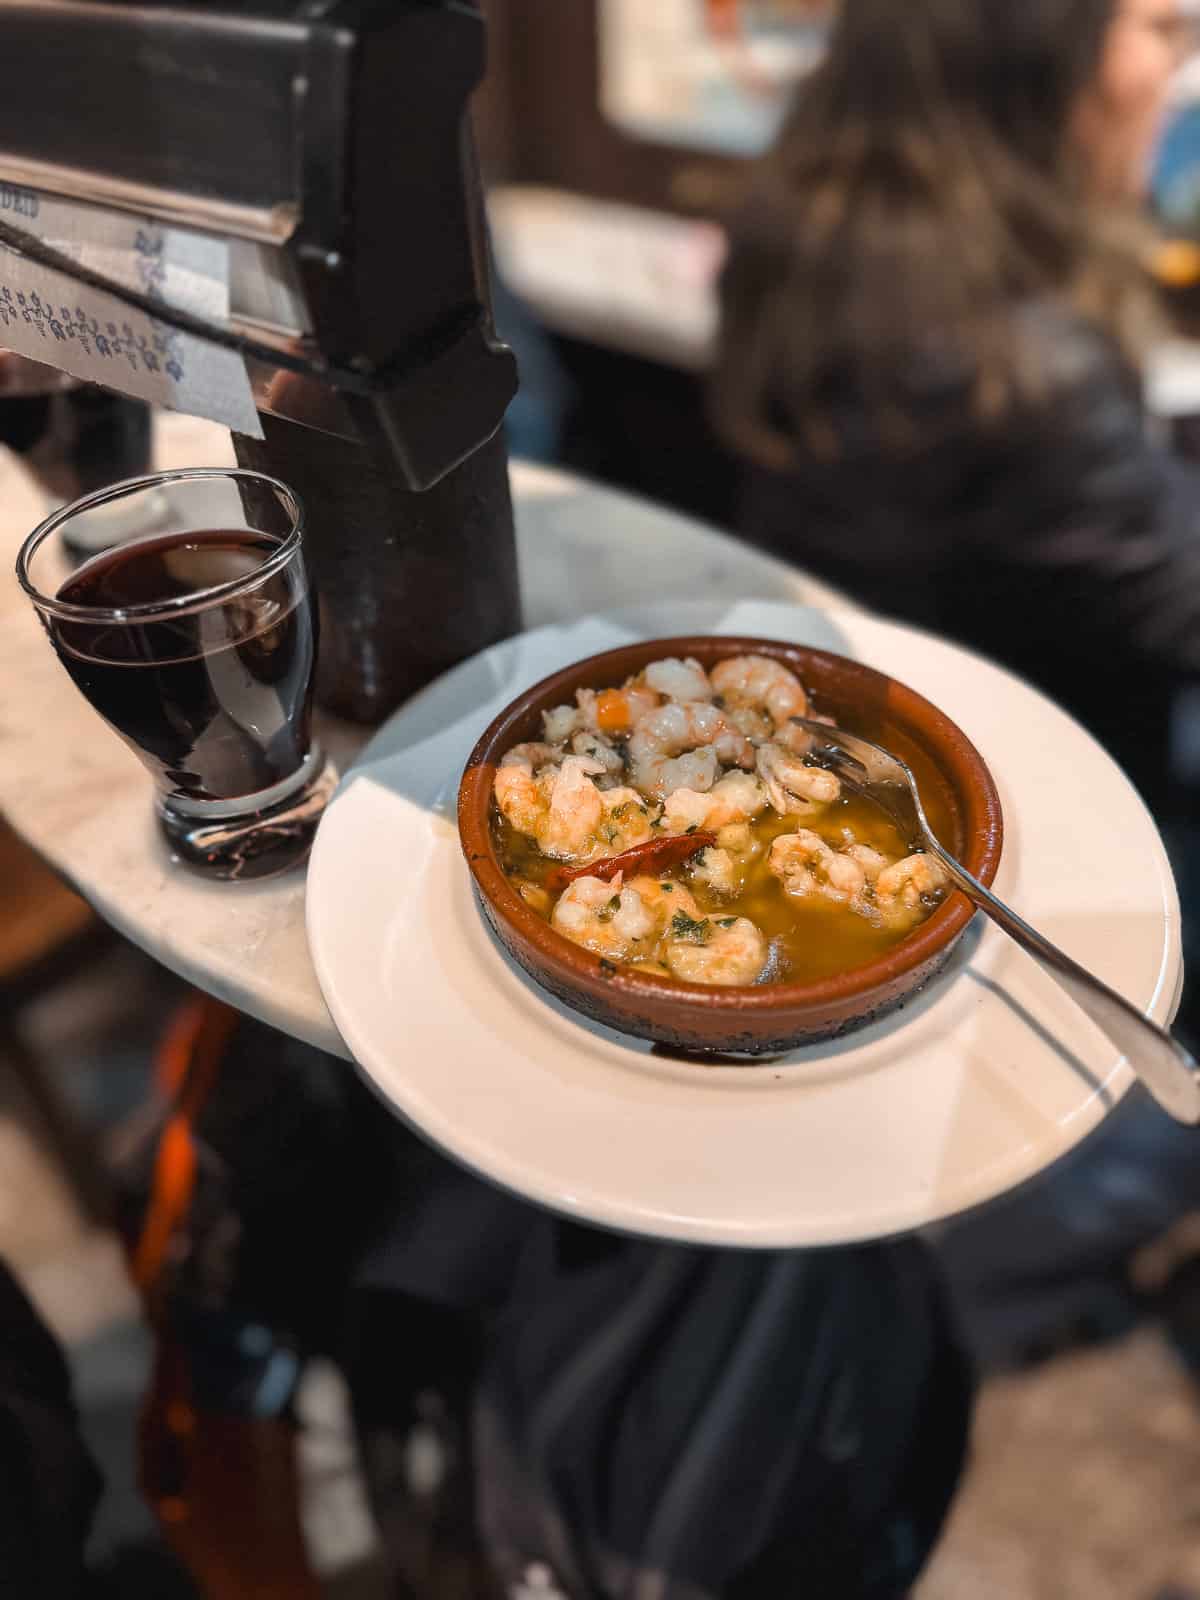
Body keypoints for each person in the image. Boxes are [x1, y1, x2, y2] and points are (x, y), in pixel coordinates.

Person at [715, 0, 1198, 818]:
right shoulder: (1019, 367)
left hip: (855, 726)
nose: (1177, 75)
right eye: (1161, 30)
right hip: (1022, 795)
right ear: (1041, 49)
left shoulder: (805, 227)